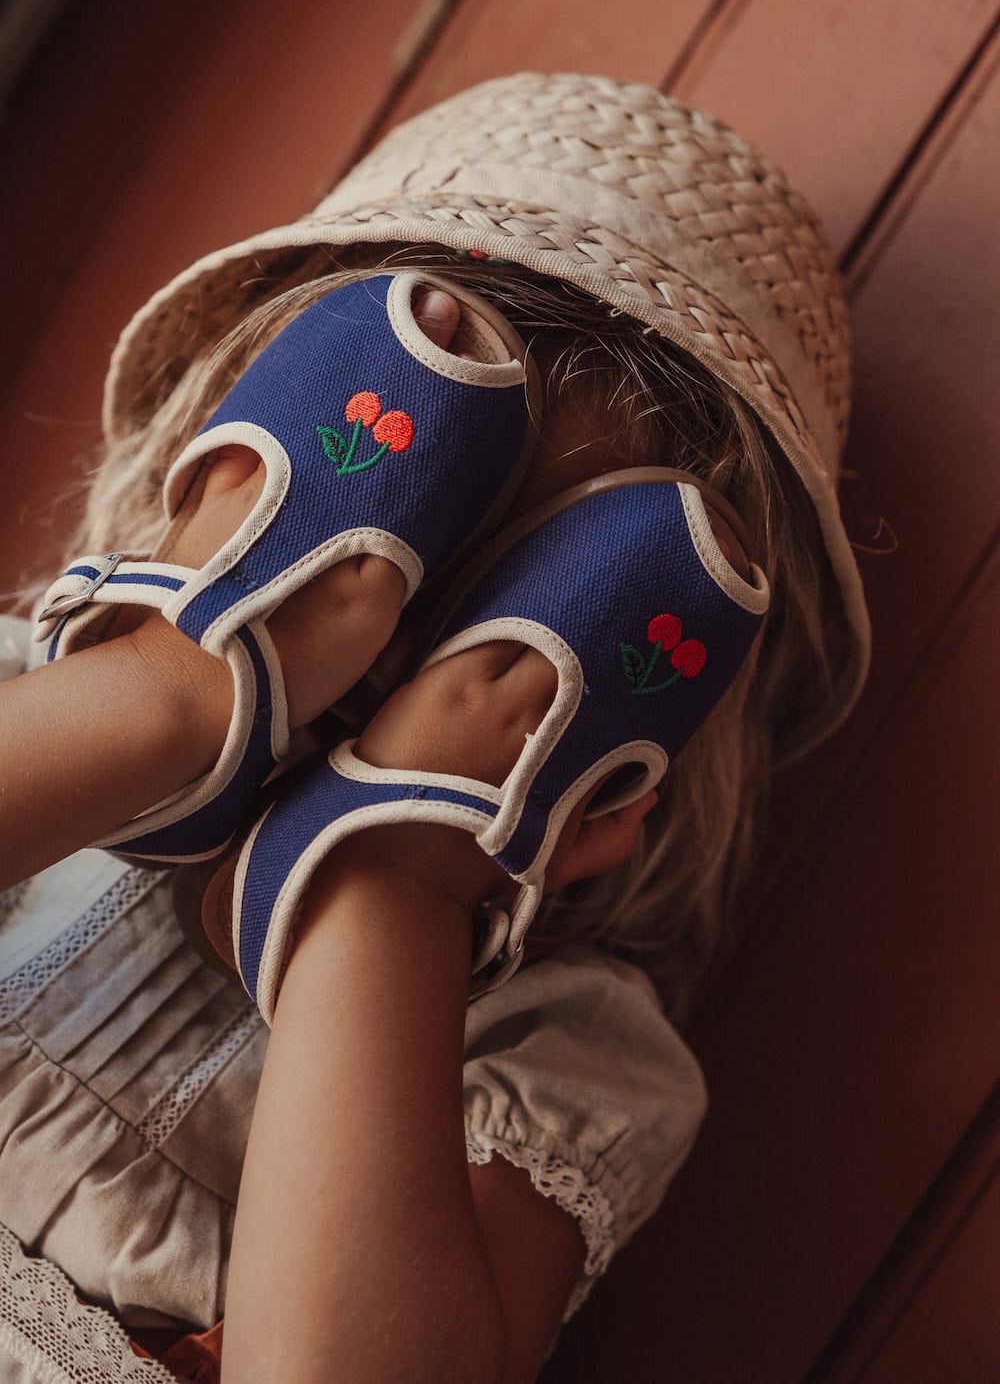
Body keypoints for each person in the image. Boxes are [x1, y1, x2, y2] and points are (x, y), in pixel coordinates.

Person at [0, 73, 870, 1384]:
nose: (387, 667)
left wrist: (400, 875)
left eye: (513, 629)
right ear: (210, 486)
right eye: (374, 551)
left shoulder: (570, 1049)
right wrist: (180, 680)